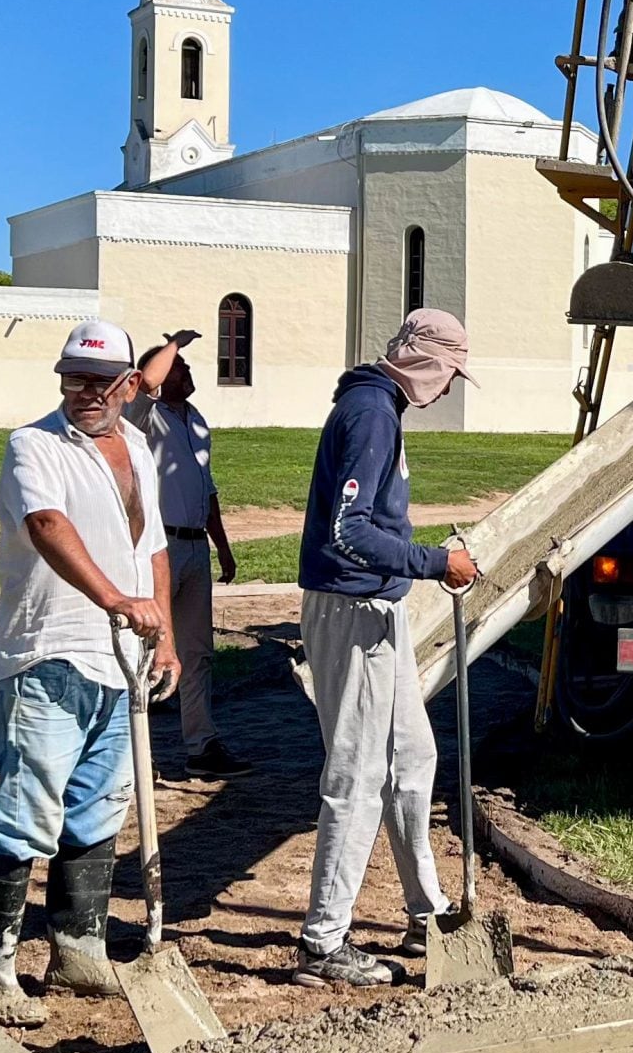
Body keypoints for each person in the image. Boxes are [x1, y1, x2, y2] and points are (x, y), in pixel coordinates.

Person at [0, 319, 177, 1030]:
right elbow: (48, 526)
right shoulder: (34, 445)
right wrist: (114, 598)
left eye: (99, 381)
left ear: (128, 385)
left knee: (98, 806)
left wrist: (164, 633)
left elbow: (155, 550)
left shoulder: (138, 446)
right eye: (73, 379)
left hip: (124, 659)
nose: (84, 392)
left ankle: (78, 947)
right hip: (49, 652)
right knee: (28, 807)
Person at [293, 308, 482, 986]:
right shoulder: (372, 412)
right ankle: (323, 943)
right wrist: (436, 561)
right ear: (427, 363)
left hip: (374, 606)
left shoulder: (376, 405)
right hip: (355, 607)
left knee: (413, 757)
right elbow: (350, 531)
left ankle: (425, 910)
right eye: (451, 373)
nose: (450, 387)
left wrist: (423, 563)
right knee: (358, 774)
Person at [130, 331, 251, 778]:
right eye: (180, 367)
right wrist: (173, 344)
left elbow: (208, 488)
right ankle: (135, 752)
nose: (187, 371)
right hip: (157, 549)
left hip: (195, 546)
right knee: (146, 647)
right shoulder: (144, 416)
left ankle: (201, 745)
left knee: (198, 652)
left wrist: (223, 547)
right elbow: (144, 382)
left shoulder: (195, 419)